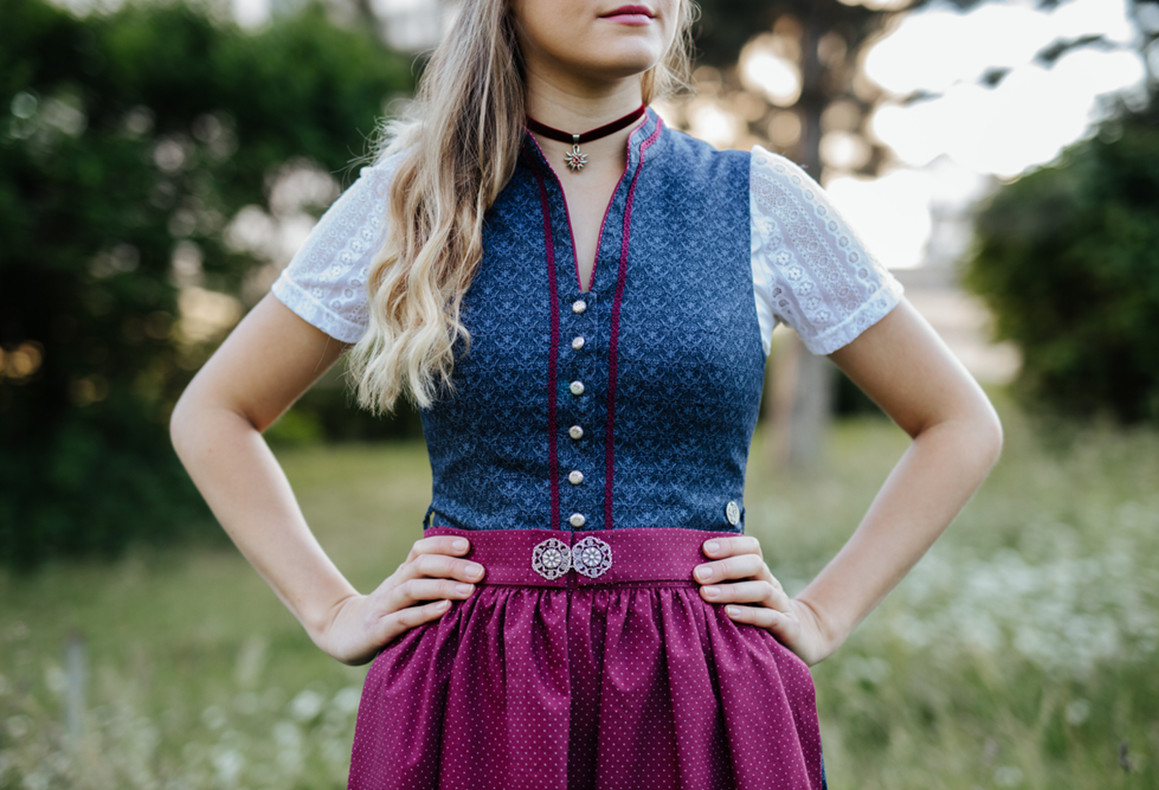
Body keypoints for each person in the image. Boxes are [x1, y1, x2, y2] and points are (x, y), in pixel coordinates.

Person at [170, 0, 1003, 787]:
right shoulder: (411, 196)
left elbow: (958, 423)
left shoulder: (759, 199)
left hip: (703, 691)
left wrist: (824, 613)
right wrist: (331, 609)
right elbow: (215, 413)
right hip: (471, 693)